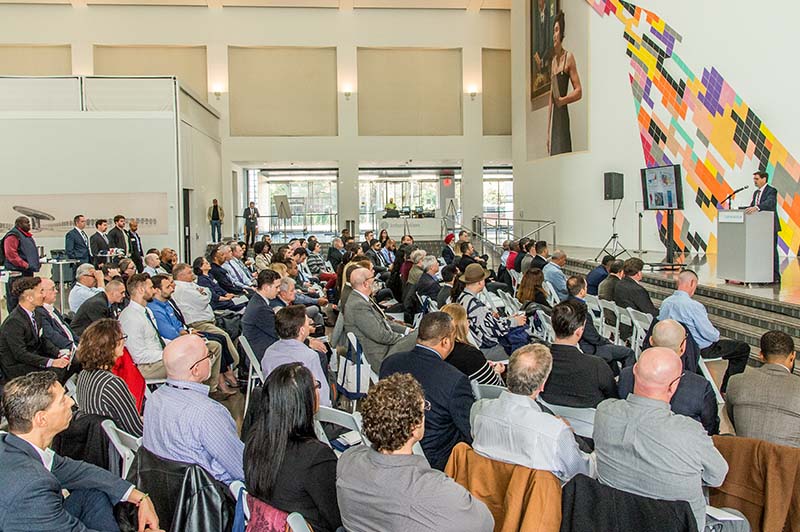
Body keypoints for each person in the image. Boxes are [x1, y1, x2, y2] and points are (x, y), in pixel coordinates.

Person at [593, 347, 739, 532]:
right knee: (739, 521)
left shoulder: (605, 412)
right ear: (674, 385)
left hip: (617, 521)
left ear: (634, 372)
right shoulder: (689, 432)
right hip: (681, 525)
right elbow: (717, 476)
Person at [0, 371, 161, 532]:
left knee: (92, 493)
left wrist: (138, 496)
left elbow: (80, 472)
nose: (71, 402)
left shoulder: (13, 444)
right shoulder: (34, 486)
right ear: (42, 419)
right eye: (62, 400)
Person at [337, 373, 494, 532]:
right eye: (423, 410)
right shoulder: (437, 491)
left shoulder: (347, 460)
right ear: (415, 426)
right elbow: (485, 524)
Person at [471, 344, 595, 481]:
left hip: (486, 490)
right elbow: (583, 472)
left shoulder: (478, 411)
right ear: (542, 385)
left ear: (509, 375)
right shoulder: (555, 432)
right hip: (540, 499)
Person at [245, 363, 341, 532]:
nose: (318, 391)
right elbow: (338, 518)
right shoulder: (316, 457)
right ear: (304, 399)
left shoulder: (254, 439)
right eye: (316, 386)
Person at [143, 335, 244, 485]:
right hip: (212, 496)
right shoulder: (208, 413)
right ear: (196, 370)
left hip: (166, 491)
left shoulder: (153, 400)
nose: (211, 360)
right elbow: (241, 469)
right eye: (208, 356)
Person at [380, 312, 473, 471]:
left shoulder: (390, 363)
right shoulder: (455, 380)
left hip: (390, 446)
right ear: (445, 341)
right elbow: (469, 430)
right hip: (437, 460)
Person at [618, 319, 719, 435]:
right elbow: (710, 428)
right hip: (684, 446)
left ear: (650, 340)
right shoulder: (701, 386)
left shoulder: (626, 375)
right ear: (683, 347)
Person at [658, 269, 749, 392]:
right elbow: (710, 335)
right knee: (742, 348)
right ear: (692, 283)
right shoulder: (694, 306)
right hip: (699, 349)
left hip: (673, 346)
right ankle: (728, 389)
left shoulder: (666, 303)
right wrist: (716, 334)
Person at [147, 274, 233, 396]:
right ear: (156, 290)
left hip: (185, 333)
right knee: (215, 345)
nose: (172, 288)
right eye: (168, 287)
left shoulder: (167, 303)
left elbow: (178, 324)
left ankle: (217, 383)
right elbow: (169, 332)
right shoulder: (155, 308)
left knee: (219, 340)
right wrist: (188, 333)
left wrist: (188, 331)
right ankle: (214, 386)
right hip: (176, 343)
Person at [726, 330, 800, 447]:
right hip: (788, 462)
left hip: (746, 456)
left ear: (761, 355)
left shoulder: (736, 381)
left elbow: (733, 418)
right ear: (793, 356)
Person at [540, 299, 617, 408]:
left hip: (548, 416)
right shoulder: (596, 366)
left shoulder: (537, 360)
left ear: (552, 324)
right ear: (580, 331)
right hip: (590, 422)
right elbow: (613, 399)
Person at [75, 319, 143, 436]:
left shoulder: (84, 375)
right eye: (122, 338)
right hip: (116, 444)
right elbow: (136, 430)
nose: (124, 342)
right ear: (112, 345)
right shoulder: (111, 383)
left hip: (98, 438)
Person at [0, 277, 68, 382]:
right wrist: (50, 362)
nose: (43, 295)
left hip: (32, 359)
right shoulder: (14, 322)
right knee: (56, 371)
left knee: (69, 364)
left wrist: (58, 353)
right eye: (41, 292)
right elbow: (20, 354)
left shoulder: (37, 314)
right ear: (29, 298)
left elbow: (42, 340)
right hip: (17, 367)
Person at [262, 305, 331, 406]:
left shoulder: (269, 352)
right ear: (302, 330)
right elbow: (322, 395)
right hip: (302, 410)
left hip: (275, 406)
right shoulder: (310, 357)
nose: (311, 323)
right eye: (308, 322)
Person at [456, 263, 526, 360]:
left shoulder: (462, 298)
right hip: (488, 348)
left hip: (477, 343)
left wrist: (508, 319)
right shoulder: (475, 305)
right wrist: (515, 322)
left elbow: (486, 323)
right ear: (480, 282)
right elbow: (494, 329)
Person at [567, 275, 635, 373]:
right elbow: (591, 336)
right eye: (586, 288)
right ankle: (627, 382)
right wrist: (605, 341)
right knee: (628, 352)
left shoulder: (566, 304)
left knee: (612, 352)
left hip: (581, 344)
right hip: (590, 348)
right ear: (582, 291)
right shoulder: (581, 310)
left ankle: (613, 377)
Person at [343, 267, 407, 368]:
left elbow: (383, 322)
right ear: (365, 284)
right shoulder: (358, 305)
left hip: (383, 347)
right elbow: (380, 335)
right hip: (379, 354)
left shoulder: (362, 299)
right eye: (373, 278)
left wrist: (406, 330)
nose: (375, 281)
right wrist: (404, 338)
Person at [118, 273, 169, 380]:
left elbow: (156, 339)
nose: (154, 291)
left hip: (157, 359)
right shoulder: (130, 318)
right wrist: (167, 354)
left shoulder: (146, 311)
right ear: (141, 290)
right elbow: (138, 356)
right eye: (151, 288)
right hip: (145, 366)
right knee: (188, 363)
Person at [440, 303, 505, 386]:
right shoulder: (471, 355)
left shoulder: (440, 350)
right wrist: (497, 372)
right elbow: (495, 386)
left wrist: (484, 366)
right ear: (460, 324)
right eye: (467, 319)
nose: (468, 323)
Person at [547, 10, 583, 156]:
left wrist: (563, 100)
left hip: (562, 113)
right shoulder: (553, 62)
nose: (554, 35)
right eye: (553, 31)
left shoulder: (569, 58)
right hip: (555, 116)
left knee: (563, 149)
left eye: (557, 30)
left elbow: (579, 91)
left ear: (561, 33)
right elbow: (551, 97)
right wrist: (547, 131)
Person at [745, 170, 780, 283]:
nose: (754, 181)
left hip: (769, 226)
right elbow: (752, 206)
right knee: (760, 251)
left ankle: (775, 276)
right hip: (758, 228)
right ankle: (761, 275)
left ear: (764, 179)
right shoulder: (756, 193)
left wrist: (757, 208)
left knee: (771, 251)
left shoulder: (771, 191)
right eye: (754, 179)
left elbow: (770, 203)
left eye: (757, 179)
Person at [2, 216, 40, 312]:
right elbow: (11, 255)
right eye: (26, 223)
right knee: (16, 302)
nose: (29, 225)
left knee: (28, 300)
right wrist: (26, 265)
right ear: (19, 224)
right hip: (17, 275)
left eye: (29, 223)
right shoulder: (13, 236)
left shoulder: (26, 236)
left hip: (27, 273)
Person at [613, 257, 658, 339]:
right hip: (636, 327)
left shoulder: (619, 284)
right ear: (638, 273)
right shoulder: (638, 290)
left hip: (625, 324)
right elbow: (650, 312)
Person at [242, 269, 281, 361]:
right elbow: (279, 332)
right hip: (265, 354)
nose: (279, 290)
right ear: (266, 287)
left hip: (263, 348)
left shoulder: (257, 301)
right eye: (277, 287)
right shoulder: (260, 308)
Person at [35, 278, 78, 350]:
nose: (56, 291)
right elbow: (52, 336)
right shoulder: (39, 313)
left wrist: (82, 344)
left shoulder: (53, 309)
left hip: (74, 345)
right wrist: (74, 348)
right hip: (64, 350)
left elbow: (67, 329)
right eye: (52, 289)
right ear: (41, 292)